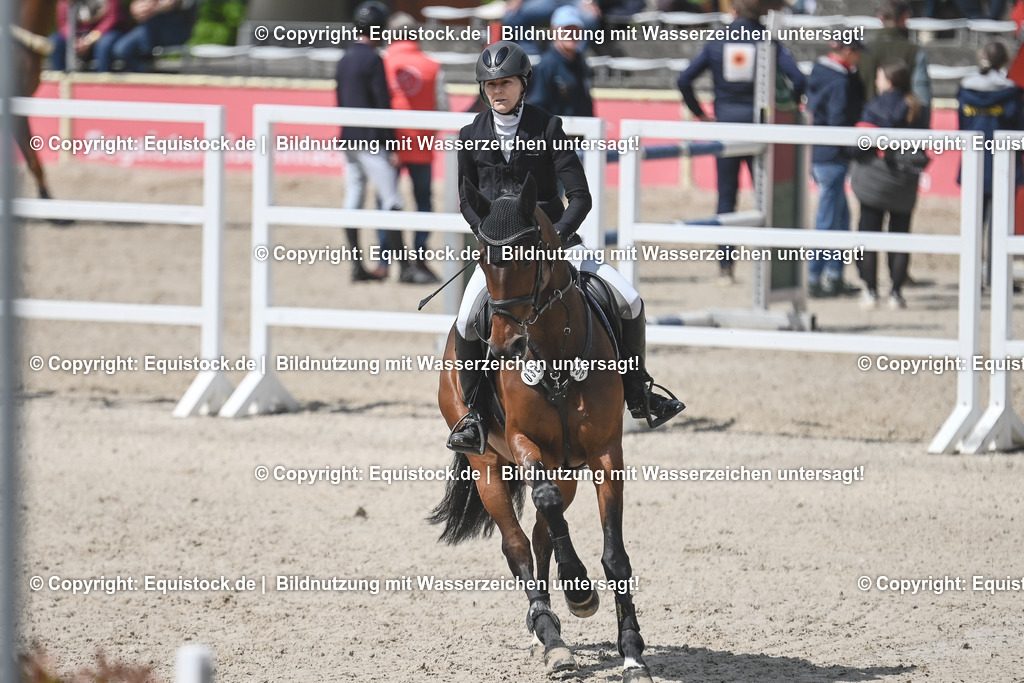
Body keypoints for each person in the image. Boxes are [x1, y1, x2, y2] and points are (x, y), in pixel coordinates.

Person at [446, 41, 685, 455]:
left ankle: (639, 391)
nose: (497, 92)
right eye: (490, 85)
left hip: (558, 245)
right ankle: (475, 417)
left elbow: (580, 196)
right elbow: (467, 199)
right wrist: (489, 235)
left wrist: (554, 239)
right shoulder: (470, 135)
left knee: (629, 299)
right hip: (503, 257)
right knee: (467, 320)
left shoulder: (548, 128)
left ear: (523, 84)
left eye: (505, 83)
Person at [676, 0, 806, 285]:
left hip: (725, 128)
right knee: (766, 199)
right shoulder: (767, 41)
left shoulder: (717, 40)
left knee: (726, 197)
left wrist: (700, 114)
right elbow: (798, 79)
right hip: (759, 130)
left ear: (733, 12)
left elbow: (684, 80)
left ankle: (725, 268)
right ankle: (769, 267)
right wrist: (789, 109)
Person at [336, 1, 432, 284]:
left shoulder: (345, 58)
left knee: (353, 198)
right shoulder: (373, 59)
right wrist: (390, 146)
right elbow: (381, 105)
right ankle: (404, 268)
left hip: (349, 140)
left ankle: (356, 265)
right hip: (370, 142)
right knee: (393, 200)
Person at [851, 61, 929, 310]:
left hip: (876, 177)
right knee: (900, 234)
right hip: (905, 180)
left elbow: (858, 145)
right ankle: (896, 292)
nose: (876, 82)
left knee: (868, 233)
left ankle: (870, 290)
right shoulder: (918, 108)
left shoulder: (875, 106)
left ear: (890, 81)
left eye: (879, 77)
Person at [382, 12, 449, 284]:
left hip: (390, 146)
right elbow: (443, 107)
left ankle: (385, 259)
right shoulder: (433, 65)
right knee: (423, 201)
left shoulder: (383, 63)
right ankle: (419, 256)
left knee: (387, 202)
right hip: (422, 144)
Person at [957, 41, 1024, 288]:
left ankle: (972, 278)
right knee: (1000, 227)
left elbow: (962, 126)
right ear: (1004, 61)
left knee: (973, 226)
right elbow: (1019, 130)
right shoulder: (1012, 94)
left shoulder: (965, 90)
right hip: (1003, 166)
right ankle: (997, 278)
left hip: (975, 164)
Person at [806, 37, 866, 298]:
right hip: (833, 156)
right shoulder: (840, 81)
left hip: (820, 153)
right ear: (849, 51)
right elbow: (838, 119)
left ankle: (832, 275)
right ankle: (814, 277)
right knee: (830, 219)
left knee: (838, 218)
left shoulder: (820, 73)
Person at [859, 1, 932, 123]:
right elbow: (922, 97)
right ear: (905, 17)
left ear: (880, 17)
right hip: (905, 124)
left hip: (868, 122)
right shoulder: (914, 51)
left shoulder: (863, 52)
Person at [526, 5, 595, 119]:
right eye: (566, 29)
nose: (571, 34)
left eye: (575, 29)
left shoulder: (581, 63)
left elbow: (587, 104)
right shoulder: (545, 66)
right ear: (554, 31)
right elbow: (537, 107)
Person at [111, 0, 198, 73]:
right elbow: (140, 6)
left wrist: (157, 8)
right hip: (146, 29)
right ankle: (146, 74)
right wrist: (135, 8)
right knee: (121, 49)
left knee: (131, 50)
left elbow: (182, 3)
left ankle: (148, 72)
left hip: (173, 31)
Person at [49, 0, 129, 72]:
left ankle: (101, 79)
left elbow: (111, 19)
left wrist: (88, 40)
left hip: (106, 32)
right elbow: (64, 23)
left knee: (104, 45)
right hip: (77, 34)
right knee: (55, 42)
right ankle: (60, 79)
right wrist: (73, 40)